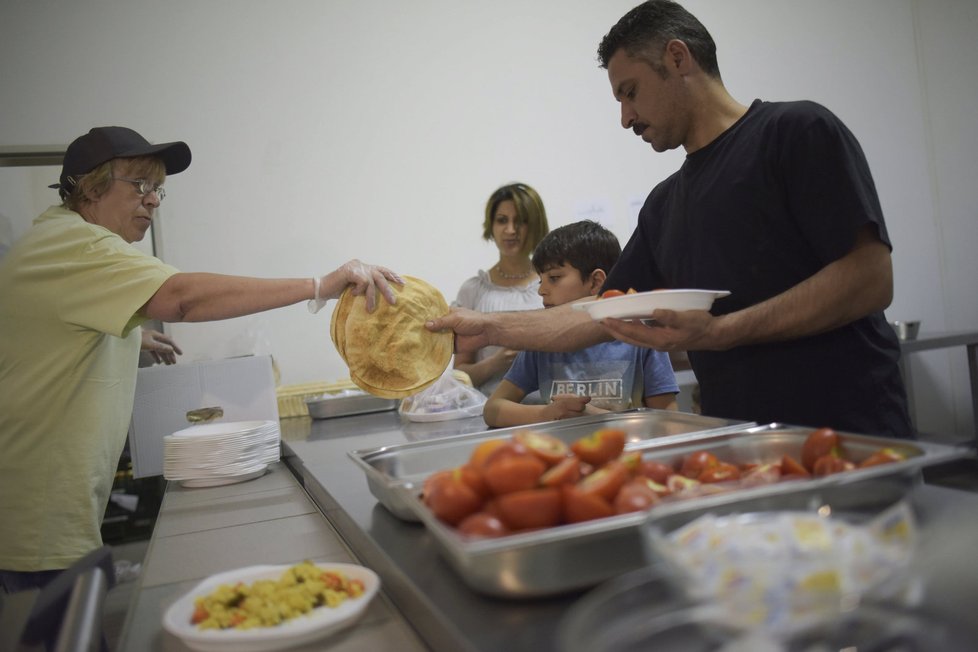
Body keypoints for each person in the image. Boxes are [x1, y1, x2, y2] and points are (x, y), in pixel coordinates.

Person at [429, 0, 913, 440]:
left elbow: (870, 278)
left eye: (631, 91)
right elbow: (593, 318)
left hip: (850, 437)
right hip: (746, 449)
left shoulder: (795, 132)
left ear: (678, 58)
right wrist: (486, 326)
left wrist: (720, 332)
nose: (624, 117)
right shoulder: (665, 204)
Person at [0, 126, 402, 594]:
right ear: (90, 187)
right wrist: (317, 286)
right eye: (141, 186)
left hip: (44, 508)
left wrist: (133, 335)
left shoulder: (57, 243)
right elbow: (183, 298)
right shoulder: (78, 246)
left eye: (159, 189)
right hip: (38, 517)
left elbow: (55, 326)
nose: (153, 201)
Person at [484, 220, 678, 427]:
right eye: (541, 280)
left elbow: (667, 419)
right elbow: (493, 409)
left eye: (554, 278)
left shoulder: (639, 336)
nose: (541, 290)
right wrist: (548, 413)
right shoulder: (542, 343)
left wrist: (596, 417)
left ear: (596, 282)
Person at [452, 182, 549, 396]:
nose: (510, 230)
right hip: (489, 412)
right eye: (502, 220)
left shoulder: (551, 284)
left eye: (521, 221)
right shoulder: (473, 291)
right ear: (491, 226)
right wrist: (497, 362)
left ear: (535, 225)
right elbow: (459, 375)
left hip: (550, 409)